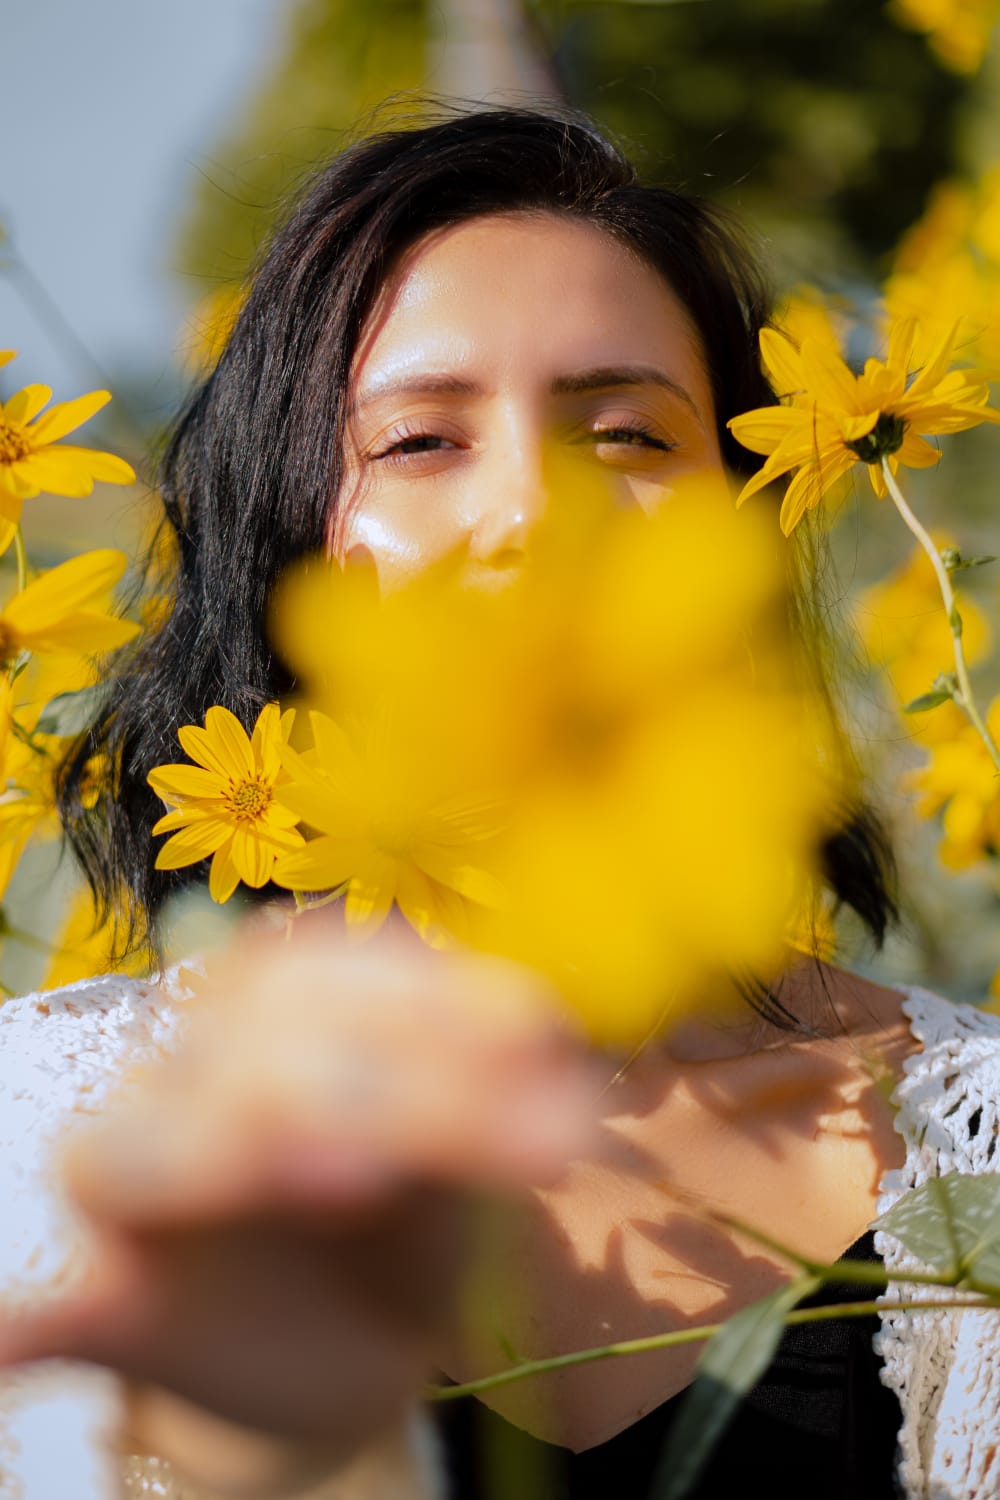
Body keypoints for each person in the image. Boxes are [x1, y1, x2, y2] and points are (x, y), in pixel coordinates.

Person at [0, 104, 997, 1500]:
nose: (532, 509)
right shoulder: (39, 1143)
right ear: (293, 536)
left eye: (632, 435)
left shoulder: (971, 1136)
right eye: (419, 441)